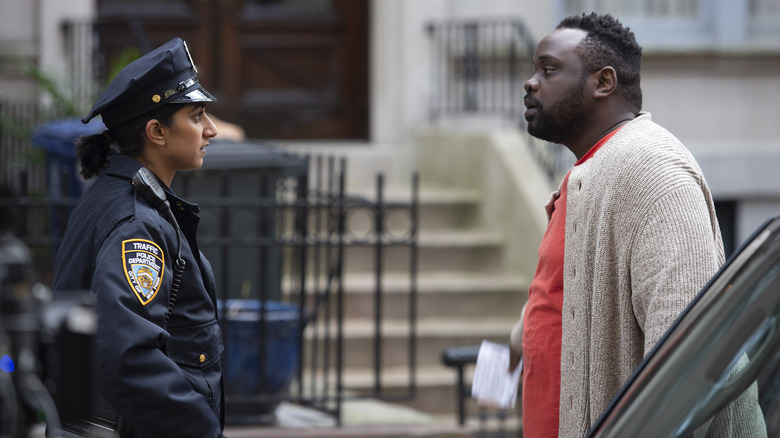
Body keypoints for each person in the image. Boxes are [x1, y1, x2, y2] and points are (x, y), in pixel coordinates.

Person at [508, 13, 765, 437]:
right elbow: (566, 290)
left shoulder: (653, 171)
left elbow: (685, 361)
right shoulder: (592, 172)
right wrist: (521, 338)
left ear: (603, 83)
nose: (530, 82)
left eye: (549, 69)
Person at [52, 38, 224, 438]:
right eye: (197, 115)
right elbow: (128, 355)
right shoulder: (136, 222)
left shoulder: (119, 196)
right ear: (156, 132)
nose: (211, 129)